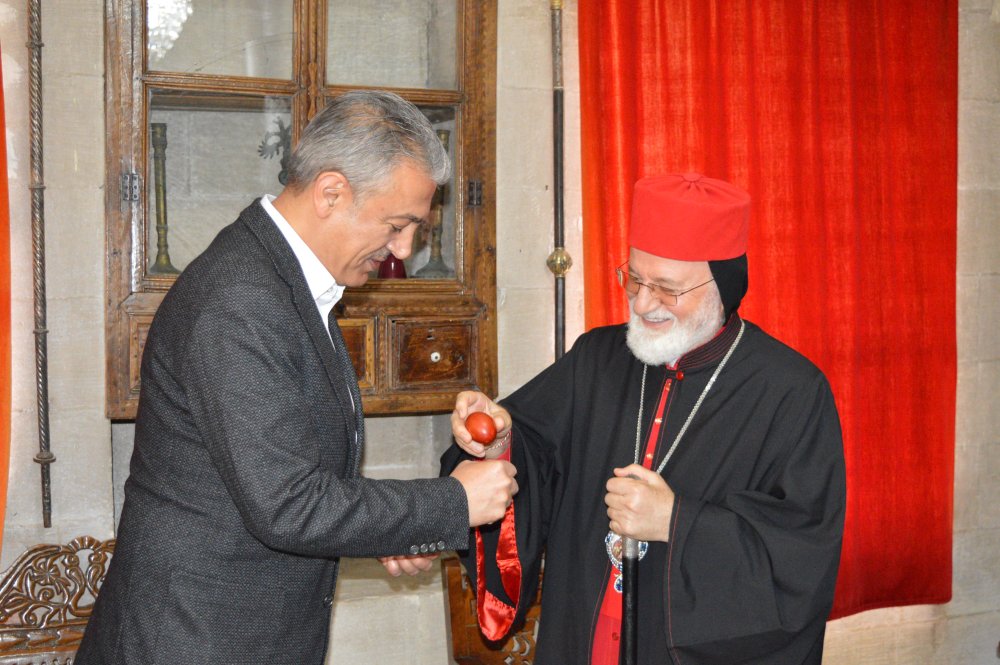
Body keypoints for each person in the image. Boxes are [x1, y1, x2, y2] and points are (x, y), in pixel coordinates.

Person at [76, 90, 518, 665]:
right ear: (331, 192)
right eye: (397, 224)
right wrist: (449, 504)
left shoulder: (285, 280)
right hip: (193, 641)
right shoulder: (241, 299)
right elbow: (286, 504)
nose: (402, 251)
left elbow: (294, 476)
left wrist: (394, 529)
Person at [443, 173, 846, 664]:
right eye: (634, 277)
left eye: (666, 288)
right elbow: (533, 451)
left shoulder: (791, 392)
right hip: (584, 636)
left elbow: (801, 558)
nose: (641, 302)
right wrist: (501, 441)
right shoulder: (597, 358)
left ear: (722, 284)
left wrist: (678, 522)